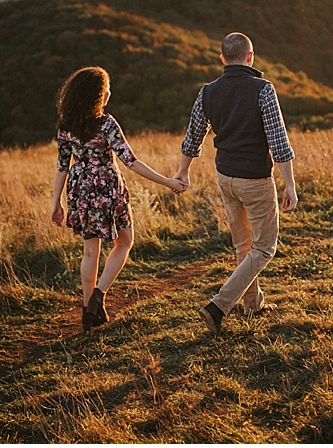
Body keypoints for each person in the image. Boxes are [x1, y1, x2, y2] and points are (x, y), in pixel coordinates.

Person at [174, 32, 298, 336]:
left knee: (244, 245)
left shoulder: (207, 92)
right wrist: (290, 185)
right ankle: (220, 305)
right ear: (250, 57)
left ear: (222, 59)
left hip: (225, 179)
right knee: (265, 248)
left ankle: (252, 304)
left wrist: (183, 172)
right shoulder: (263, 90)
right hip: (254, 179)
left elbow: (193, 138)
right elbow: (279, 144)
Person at [51, 66, 186, 332]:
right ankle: (99, 296)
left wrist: (56, 202)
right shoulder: (106, 123)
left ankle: (87, 310)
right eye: (106, 88)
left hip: (79, 190)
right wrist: (168, 182)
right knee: (124, 242)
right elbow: (131, 162)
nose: (109, 92)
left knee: (90, 251)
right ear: (99, 96)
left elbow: (62, 166)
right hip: (106, 188)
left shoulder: (66, 126)